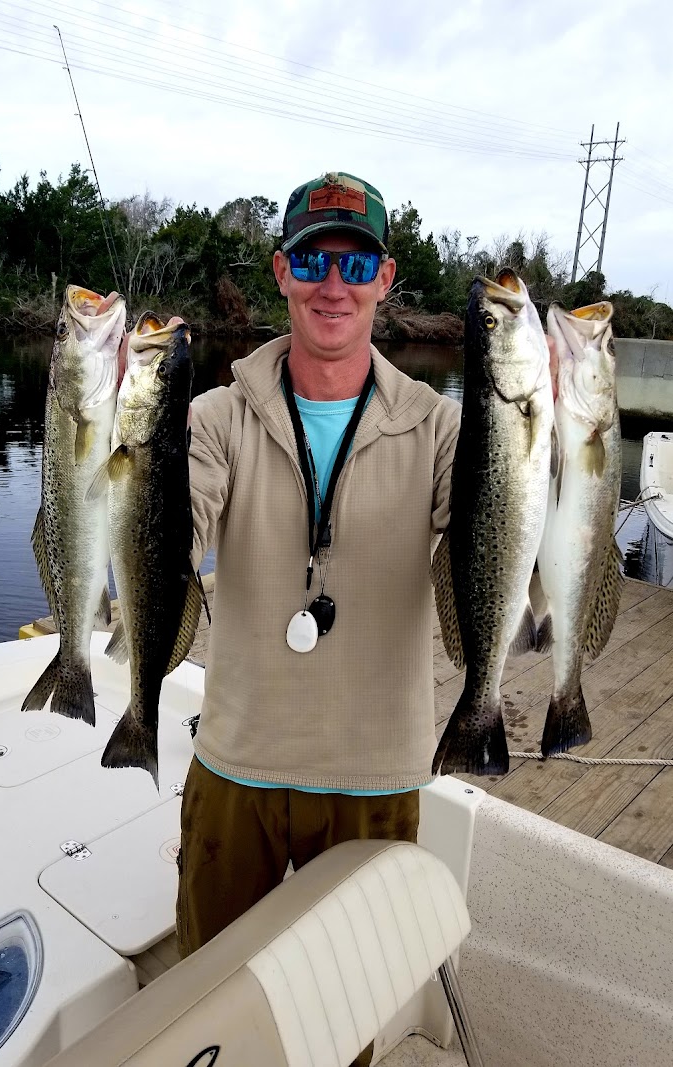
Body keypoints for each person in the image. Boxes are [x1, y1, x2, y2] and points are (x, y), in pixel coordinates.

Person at [178, 172, 461, 973]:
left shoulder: (443, 428)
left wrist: (547, 427)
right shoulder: (213, 417)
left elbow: (493, 545)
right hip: (237, 759)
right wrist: (129, 432)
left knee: (349, 1002)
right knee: (210, 988)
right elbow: (173, 534)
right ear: (281, 272)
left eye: (355, 263)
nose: (333, 285)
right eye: (311, 262)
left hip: (376, 772)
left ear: (385, 277)